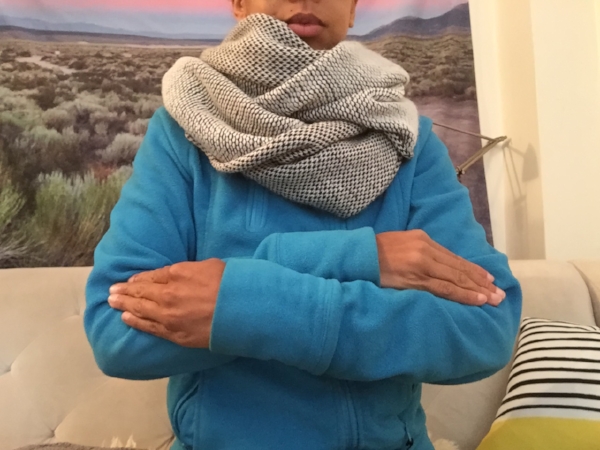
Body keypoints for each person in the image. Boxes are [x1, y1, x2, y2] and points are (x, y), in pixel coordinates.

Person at [84, 1, 522, 449]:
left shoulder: (410, 140)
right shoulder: (182, 133)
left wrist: (235, 304)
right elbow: (115, 332)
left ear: (352, 10)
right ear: (239, 4)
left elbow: (485, 327)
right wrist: (364, 259)